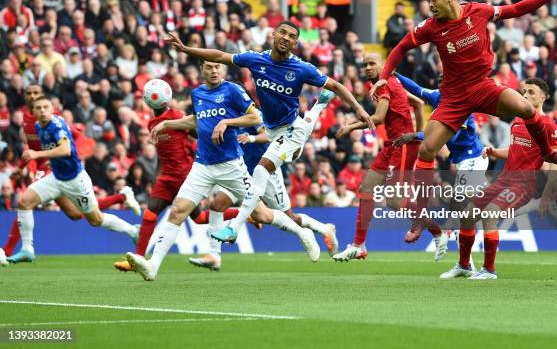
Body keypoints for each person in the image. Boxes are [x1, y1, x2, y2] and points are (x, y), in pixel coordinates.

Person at [372, 0, 557, 243]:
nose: (430, 4)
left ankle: (549, 153)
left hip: (482, 86)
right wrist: (384, 76)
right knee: (427, 149)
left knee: (527, 109)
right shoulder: (430, 27)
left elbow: (515, 9)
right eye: (428, 0)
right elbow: (400, 48)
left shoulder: (478, 11)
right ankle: (420, 216)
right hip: (454, 98)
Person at [163, 21, 374, 245]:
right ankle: (319, 106)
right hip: (274, 132)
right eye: (282, 32)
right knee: (283, 207)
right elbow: (220, 55)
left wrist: (360, 109)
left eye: (292, 36)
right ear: (273, 35)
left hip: (291, 131)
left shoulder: (301, 68)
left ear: (295, 42)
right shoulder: (256, 59)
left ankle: (233, 227)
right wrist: (185, 49)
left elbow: (338, 86)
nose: (285, 37)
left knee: (261, 171)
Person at [126, 60, 321, 281]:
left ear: (223, 69)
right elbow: (197, 120)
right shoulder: (197, 93)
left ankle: (302, 232)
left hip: (231, 166)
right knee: (177, 211)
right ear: (202, 70)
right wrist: (168, 124)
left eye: (217, 67)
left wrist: (226, 122)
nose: (214, 70)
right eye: (208, 67)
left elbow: (255, 117)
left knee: (262, 215)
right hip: (202, 166)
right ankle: (153, 266)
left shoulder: (233, 90)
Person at [113, 77, 242, 272]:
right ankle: (137, 258)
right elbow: (162, 154)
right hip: (166, 177)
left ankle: (246, 215)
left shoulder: (177, 116)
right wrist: (157, 175)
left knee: (198, 219)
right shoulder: (151, 123)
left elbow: (199, 134)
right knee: (150, 212)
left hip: (184, 174)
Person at [189, 104, 338, 271]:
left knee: (290, 217)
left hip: (267, 171)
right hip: (241, 172)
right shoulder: (226, 120)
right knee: (217, 205)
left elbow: (269, 135)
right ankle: (215, 255)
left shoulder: (255, 115)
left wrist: (251, 138)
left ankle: (325, 229)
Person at [440, 79, 557, 280]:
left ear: (543, 97)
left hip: (523, 184)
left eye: (531, 92)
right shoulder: (518, 121)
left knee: (490, 214)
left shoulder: (548, 125)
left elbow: (556, 158)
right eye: (523, 92)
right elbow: (515, 151)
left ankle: (489, 270)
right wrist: (495, 152)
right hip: (504, 180)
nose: (525, 96)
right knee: (468, 215)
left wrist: (549, 191)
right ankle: (464, 266)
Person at [3, 84, 139, 260]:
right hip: (56, 177)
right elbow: (37, 151)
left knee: (95, 219)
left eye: (46, 107)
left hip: (74, 179)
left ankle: (132, 230)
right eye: (39, 108)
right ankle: (27, 250)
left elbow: (65, 149)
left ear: (53, 109)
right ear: (33, 111)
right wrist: (24, 166)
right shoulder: (37, 125)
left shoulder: (56, 125)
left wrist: (39, 154)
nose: (42, 111)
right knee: (24, 202)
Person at [332, 53, 428, 262]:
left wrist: (350, 127)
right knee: (366, 189)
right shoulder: (385, 85)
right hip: (391, 145)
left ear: (383, 66)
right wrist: (418, 135)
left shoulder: (385, 84)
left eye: (372, 64)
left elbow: (378, 118)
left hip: (402, 145)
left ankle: (428, 222)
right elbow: (419, 104)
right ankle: (359, 245)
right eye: (364, 65)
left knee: (394, 201)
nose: (367, 68)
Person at [392, 72, 489, 260]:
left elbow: (447, 137)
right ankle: (465, 262)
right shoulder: (438, 97)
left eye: (447, 85)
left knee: (459, 203)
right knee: (467, 210)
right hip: (462, 162)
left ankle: (446, 234)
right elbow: (416, 89)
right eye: (441, 85)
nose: (443, 89)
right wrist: (395, 74)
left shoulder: (462, 109)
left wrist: (414, 135)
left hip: (474, 159)